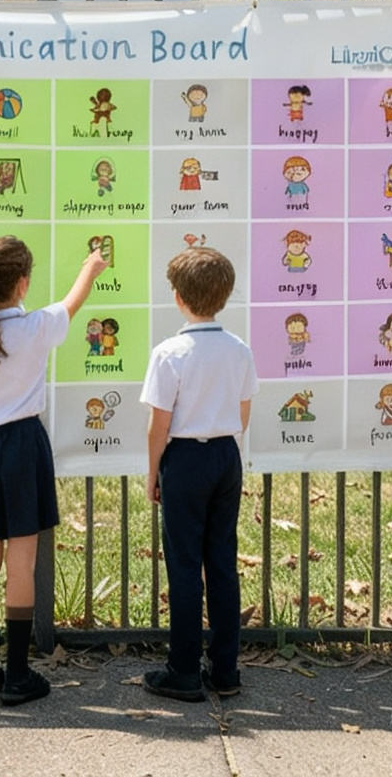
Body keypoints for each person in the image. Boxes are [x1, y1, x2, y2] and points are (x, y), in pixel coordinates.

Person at [0, 236, 108, 706]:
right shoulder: (35, 328)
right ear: (23, 284)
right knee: (21, 563)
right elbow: (73, 303)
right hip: (26, 447)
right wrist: (90, 267)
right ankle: (16, 673)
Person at [140, 247, 258, 703]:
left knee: (185, 565)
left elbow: (159, 424)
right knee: (222, 563)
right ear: (225, 296)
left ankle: (184, 669)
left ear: (178, 297)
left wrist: (153, 472)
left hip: (184, 459)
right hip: (226, 455)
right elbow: (243, 411)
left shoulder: (170, 353)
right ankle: (226, 669)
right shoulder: (239, 350)